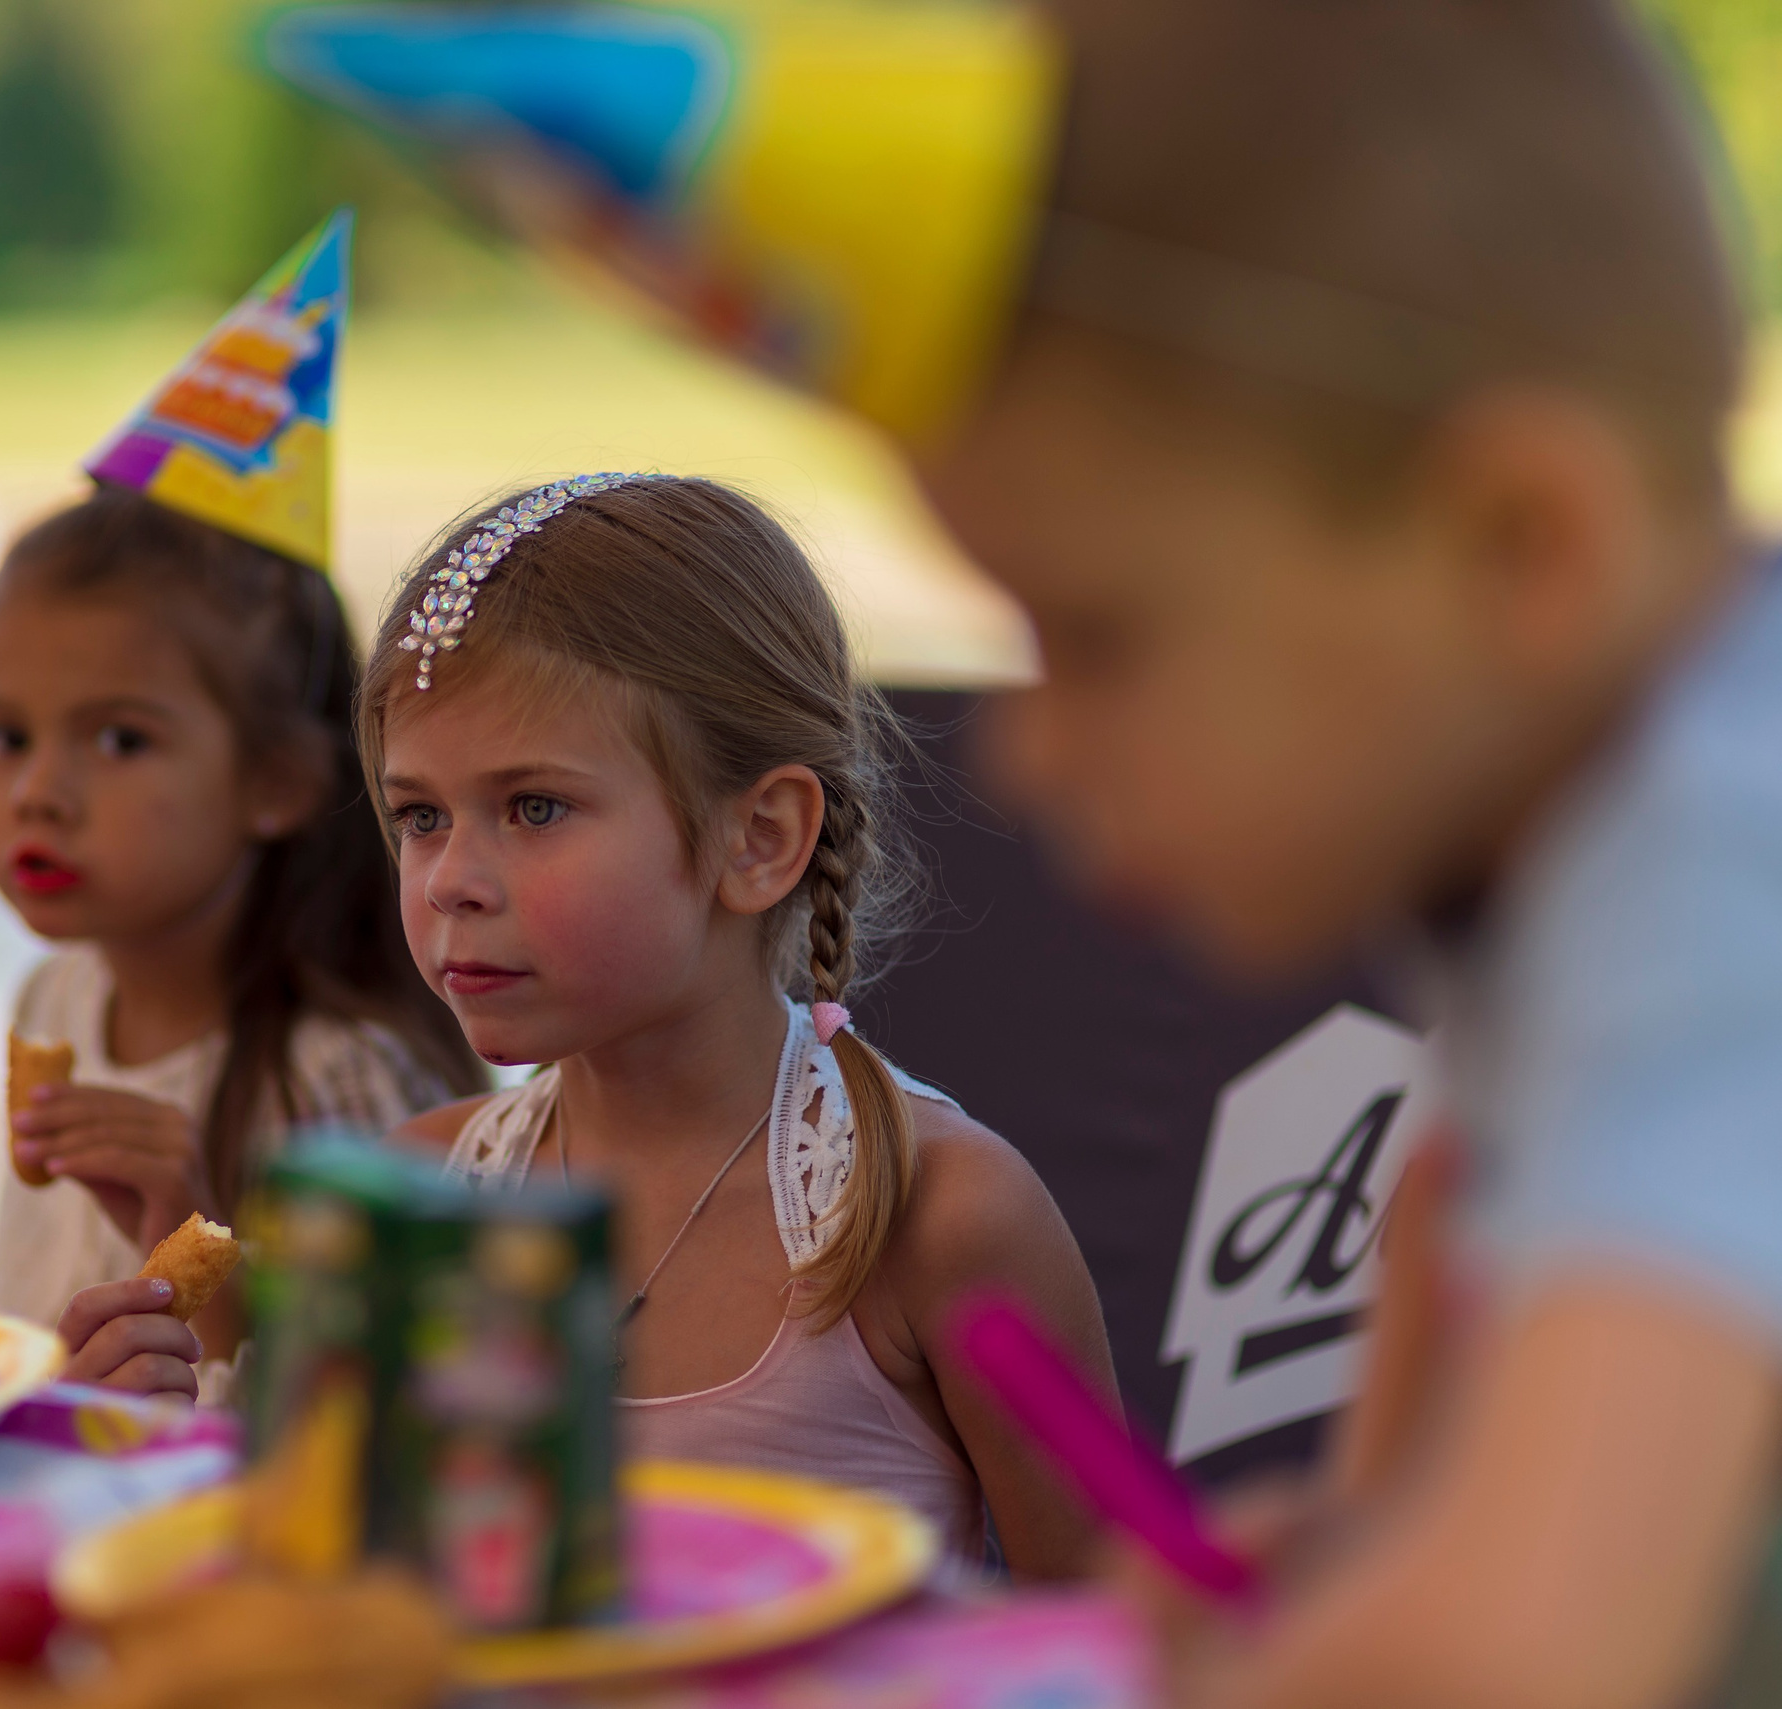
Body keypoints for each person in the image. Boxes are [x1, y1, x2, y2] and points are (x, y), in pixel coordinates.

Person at [914, 3, 1782, 1703]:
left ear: (1519, 544)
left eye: (1096, 633)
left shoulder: (1722, 872)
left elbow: (1510, 1654)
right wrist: (1362, 1552)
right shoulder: (1579, 816)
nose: (1025, 748)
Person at [363, 471, 1115, 1579]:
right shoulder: (416, 1205)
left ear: (759, 837)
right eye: (419, 815)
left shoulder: (946, 1218)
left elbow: (1129, 1626)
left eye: (533, 807)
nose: (450, 881)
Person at [0, 216, 481, 1400]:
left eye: (119, 738)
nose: (37, 789)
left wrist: (206, 1234)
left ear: (279, 781)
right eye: (3, 732)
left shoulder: (345, 1081)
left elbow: (414, 1416)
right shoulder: (56, 999)